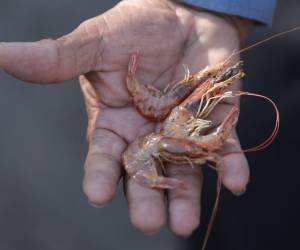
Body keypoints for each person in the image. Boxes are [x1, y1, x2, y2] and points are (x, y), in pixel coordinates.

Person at [0, 0, 277, 239]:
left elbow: (180, 109)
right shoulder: (173, 117)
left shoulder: (178, 113)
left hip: (163, 129)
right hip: (155, 140)